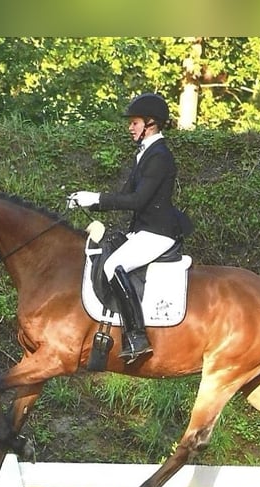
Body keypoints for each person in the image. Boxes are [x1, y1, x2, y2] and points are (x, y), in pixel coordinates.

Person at [67, 92, 188, 363]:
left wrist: (96, 198)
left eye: (134, 123)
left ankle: (137, 337)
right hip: (143, 230)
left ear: (151, 123)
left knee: (113, 266)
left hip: (158, 232)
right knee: (107, 255)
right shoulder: (144, 154)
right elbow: (123, 195)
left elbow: (138, 200)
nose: (130, 128)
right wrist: (89, 200)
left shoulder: (159, 156)